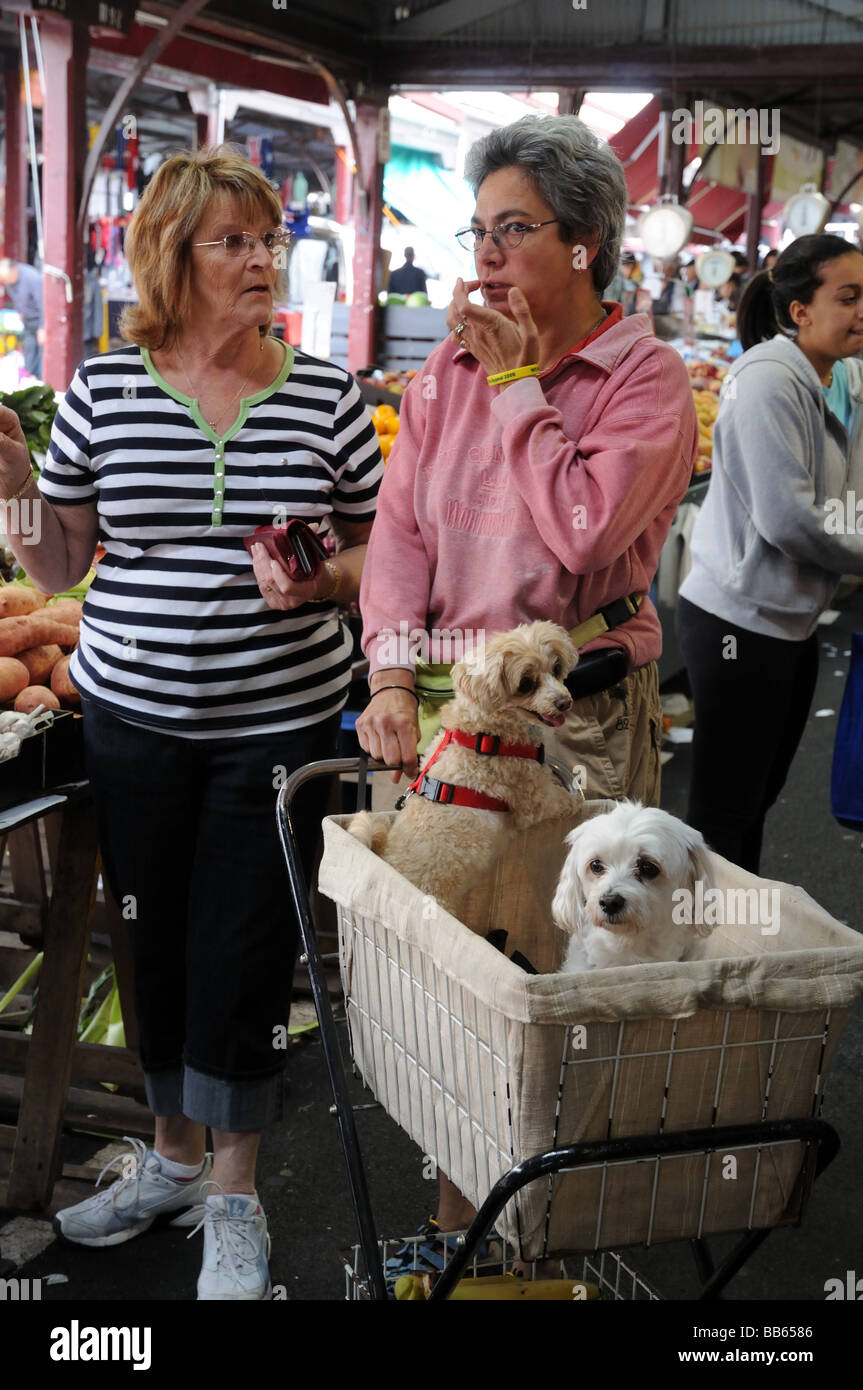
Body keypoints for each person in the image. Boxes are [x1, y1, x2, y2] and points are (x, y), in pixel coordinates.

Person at [0, 147, 382, 1299]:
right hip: (132, 719)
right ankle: (167, 1162)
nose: (262, 258)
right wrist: (14, 477)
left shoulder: (325, 396)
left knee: (246, 951)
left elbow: (385, 554)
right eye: (234, 241)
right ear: (172, 258)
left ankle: (232, 1195)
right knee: (149, 937)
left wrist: (321, 581)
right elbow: (59, 559)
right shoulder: (104, 392)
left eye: (268, 238)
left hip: (277, 728)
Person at [355, 112, 697, 1278]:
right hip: (460, 712)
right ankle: (465, 1221)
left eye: (517, 230)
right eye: (479, 229)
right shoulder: (447, 366)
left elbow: (585, 525)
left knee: (565, 970)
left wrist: (515, 384)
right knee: (457, 964)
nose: (487, 253)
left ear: (588, 242)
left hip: (578, 714)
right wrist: (393, 671)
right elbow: (399, 537)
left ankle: (552, 1229)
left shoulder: (642, 379)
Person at [677, 233, 863, 873]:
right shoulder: (764, 383)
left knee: (756, 801)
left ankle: (732, 947)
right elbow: (790, 519)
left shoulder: (842, 377)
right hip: (737, 623)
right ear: (799, 311)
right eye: (849, 297)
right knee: (725, 813)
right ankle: (700, 955)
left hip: (792, 621)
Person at [0, 257, 44, 378]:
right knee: (29, 352)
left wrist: (42, 327)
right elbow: (16, 299)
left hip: (39, 320)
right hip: (27, 320)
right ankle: (29, 380)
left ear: (14, 270)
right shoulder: (9, 281)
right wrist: (20, 311)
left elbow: (43, 303)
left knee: (42, 354)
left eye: (6, 278)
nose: (6, 282)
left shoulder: (32, 278)